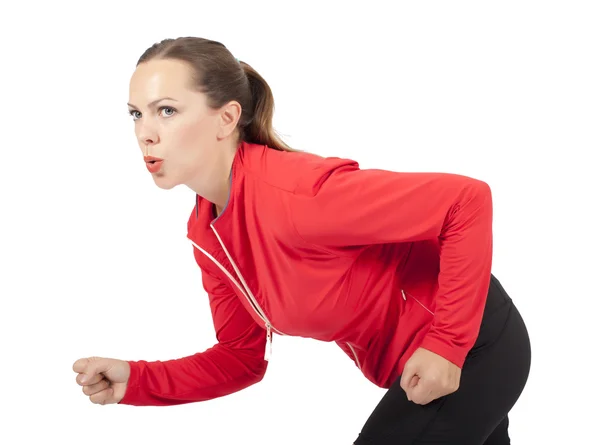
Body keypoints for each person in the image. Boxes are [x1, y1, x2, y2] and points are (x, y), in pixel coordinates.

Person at [72, 37, 531, 444]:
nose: (144, 133)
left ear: (226, 118)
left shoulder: (297, 195)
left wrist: (447, 345)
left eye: (166, 110)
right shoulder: (209, 234)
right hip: (413, 371)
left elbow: (466, 201)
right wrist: (135, 380)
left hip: (473, 346)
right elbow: (240, 358)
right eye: (136, 114)